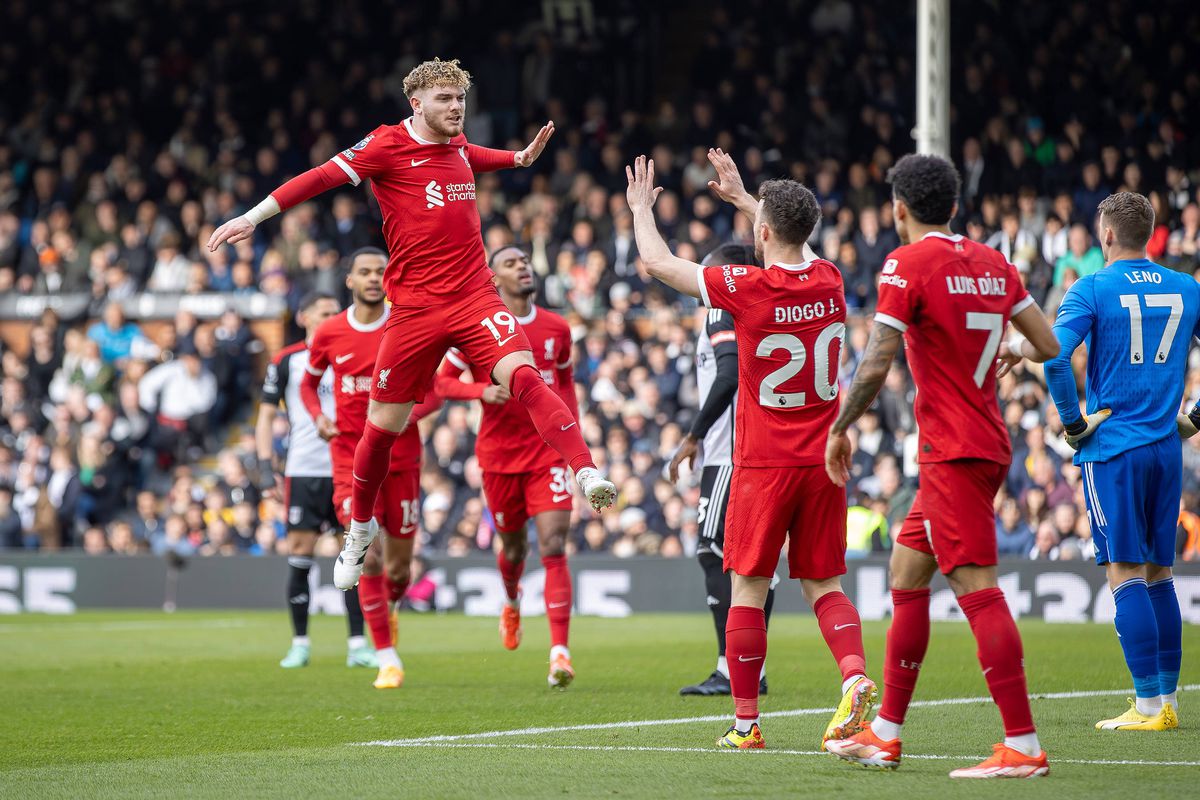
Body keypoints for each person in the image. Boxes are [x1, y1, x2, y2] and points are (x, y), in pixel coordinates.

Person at [206, 58, 615, 592]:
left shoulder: (458, 144)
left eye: (460, 99)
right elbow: (320, 177)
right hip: (416, 309)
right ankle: (358, 528)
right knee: (381, 429)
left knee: (525, 376)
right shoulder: (384, 146)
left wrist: (517, 158)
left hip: (474, 296)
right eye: (444, 99)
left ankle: (585, 470)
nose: (456, 109)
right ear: (416, 103)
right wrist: (251, 217)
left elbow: (471, 155)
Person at [628, 150, 876, 751]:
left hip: (764, 465)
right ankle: (856, 676)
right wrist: (747, 201)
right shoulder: (831, 280)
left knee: (748, 586)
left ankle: (745, 725)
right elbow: (791, 238)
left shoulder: (747, 288)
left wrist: (640, 208)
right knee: (824, 586)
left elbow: (658, 263)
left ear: (762, 232)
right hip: (823, 460)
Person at [823, 154, 1058, 778]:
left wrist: (840, 427)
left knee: (976, 587)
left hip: (953, 450)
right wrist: (1004, 349)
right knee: (906, 573)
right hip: (979, 443)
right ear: (953, 206)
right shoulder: (994, 262)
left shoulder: (907, 263)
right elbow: (1048, 343)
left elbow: (876, 361)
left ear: (899, 209)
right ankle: (885, 732)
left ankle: (1024, 745)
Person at [1040, 192, 1194, 731]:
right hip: (1166, 447)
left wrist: (1073, 422)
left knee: (1124, 572)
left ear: (1105, 234)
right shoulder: (1186, 287)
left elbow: (1055, 354)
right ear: (1150, 234)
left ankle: (1148, 707)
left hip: (1114, 451)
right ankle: (1168, 702)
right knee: (1160, 572)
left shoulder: (1092, 288)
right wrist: (1195, 418)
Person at [435, 245, 579, 688]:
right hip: (498, 457)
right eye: (512, 263)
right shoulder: (479, 330)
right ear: (494, 279)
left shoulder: (557, 329)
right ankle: (513, 600)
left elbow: (567, 385)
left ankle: (559, 653)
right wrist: (479, 391)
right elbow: (439, 381)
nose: (523, 266)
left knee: (554, 543)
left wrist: (575, 446)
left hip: (546, 453)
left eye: (525, 260)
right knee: (513, 549)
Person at [298, 249, 418, 690]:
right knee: (369, 557)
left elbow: (438, 385)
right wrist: (318, 417)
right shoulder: (329, 331)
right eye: (365, 272)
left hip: (403, 459)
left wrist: (416, 410)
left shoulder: (407, 323)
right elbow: (307, 384)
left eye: (380, 272)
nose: (373, 279)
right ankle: (386, 656)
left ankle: (390, 609)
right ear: (349, 280)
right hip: (350, 458)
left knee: (400, 569)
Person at [669, 242, 777, 698]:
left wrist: (693, 435)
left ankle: (732, 669)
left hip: (728, 454)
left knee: (714, 554)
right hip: (753, 451)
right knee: (752, 564)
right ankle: (750, 667)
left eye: (708, 269)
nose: (700, 278)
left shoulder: (721, 310)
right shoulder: (758, 311)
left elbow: (729, 373)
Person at [255, 291, 376, 670]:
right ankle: (300, 643)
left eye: (334, 311)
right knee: (300, 555)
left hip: (348, 467)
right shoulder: (287, 361)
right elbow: (264, 417)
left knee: (352, 554)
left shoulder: (351, 350)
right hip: (304, 468)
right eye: (324, 312)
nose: (332, 317)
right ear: (305, 318)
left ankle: (358, 645)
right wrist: (263, 466)